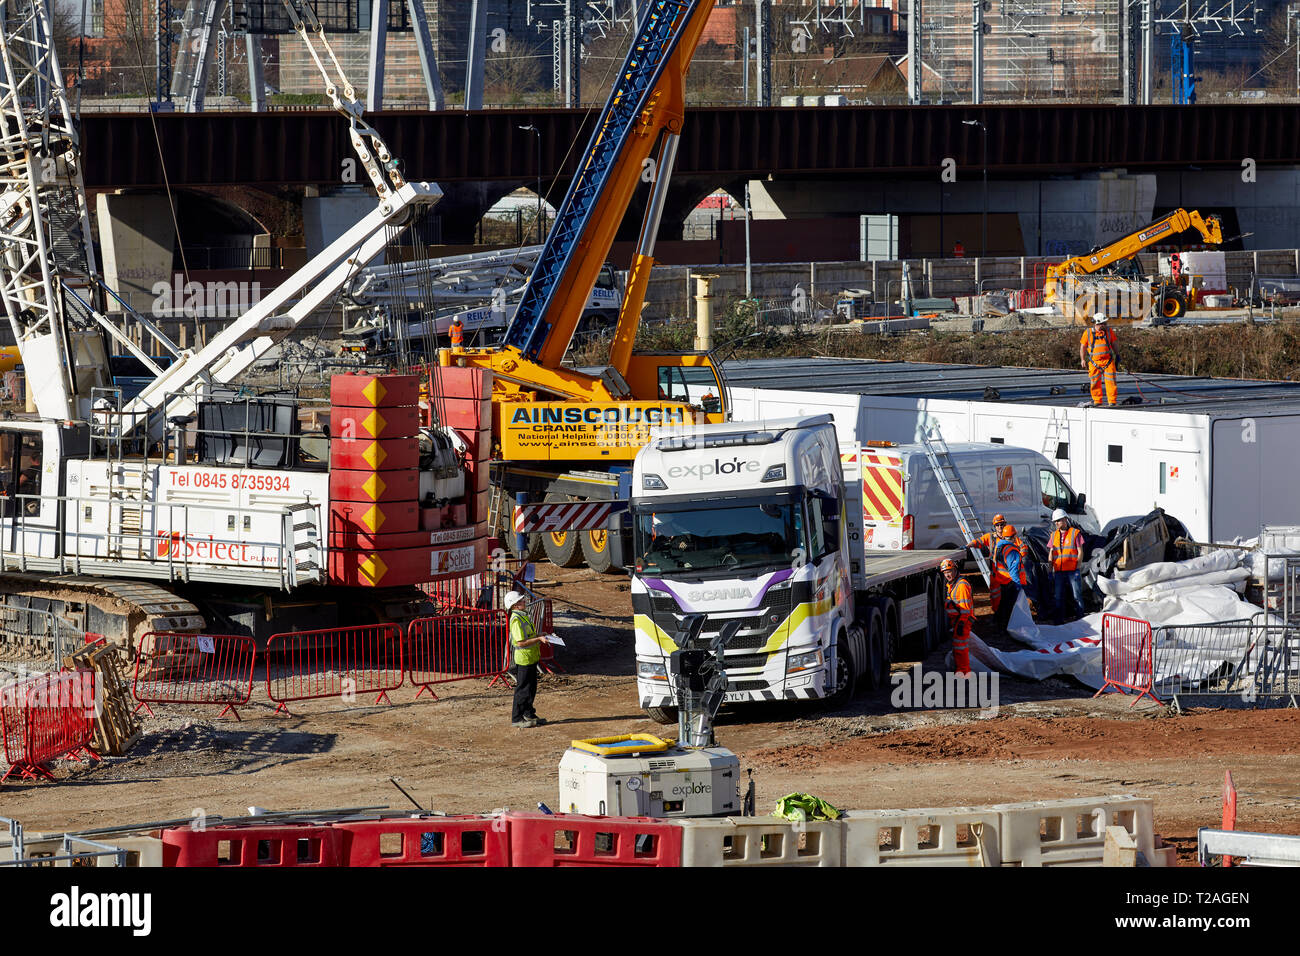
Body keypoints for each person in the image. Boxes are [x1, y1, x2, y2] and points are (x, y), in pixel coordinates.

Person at [507, 590, 546, 728]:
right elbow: (520, 642)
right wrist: (538, 639)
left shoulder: (523, 616)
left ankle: (528, 713)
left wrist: (539, 635)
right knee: (523, 689)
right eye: (521, 601)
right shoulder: (516, 619)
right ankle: (517, 718)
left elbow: (528, 636)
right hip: (524, 659)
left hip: (531, 657)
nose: (524, 602)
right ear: (515, 605)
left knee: (531, 688)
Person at [1048, 508, 1086, 624]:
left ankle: (1080, 620)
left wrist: (1077, 568)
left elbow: (1080, 551)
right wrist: (1050, 570)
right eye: (1055, 521)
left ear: (1065, 519)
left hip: (1072, 571)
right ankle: (1059, 621)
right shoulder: (1053, 535)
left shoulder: (1075, 533)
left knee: (1077, 596)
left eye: (1058, 520)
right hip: (1059, 571)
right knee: (1058, 597)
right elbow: (1051, 552)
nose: (1056, 523)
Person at [991, 523, 1029, 632]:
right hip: (1011, 583)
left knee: (1003, 604)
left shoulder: (1000, 547)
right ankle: (1006, 628)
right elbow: (1013, 570)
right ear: (1013, 536)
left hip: (1003, 581)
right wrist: (1018, 585)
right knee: (1010, 607)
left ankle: (999, 625)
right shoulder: (1012, 550)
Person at [967, 513, 1006, 615]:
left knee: (1008, 598)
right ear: (994, 526)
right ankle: (997, 617)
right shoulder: (990, 537)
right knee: (995, 596)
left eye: (1002, 524)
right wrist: (966, 546)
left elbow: (1021, 547)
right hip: (995, 575)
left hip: (1008, 575)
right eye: (997, 525)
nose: (1000, 527)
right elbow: (977, 541)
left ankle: (1006, 618)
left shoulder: (1010, 536)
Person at [941, 558, 973, 674]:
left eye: (949, 571)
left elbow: (965, 609)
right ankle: (960, 671)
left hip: (962, 622)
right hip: (958, 622)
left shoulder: (961, 586)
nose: (947, 575)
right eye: (945, 573)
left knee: (961, 649)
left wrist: (960, 625)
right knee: (958, 648)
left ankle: (963, 672)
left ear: (955, 570)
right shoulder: (952, 584)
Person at [1080, 311, 1119, 406]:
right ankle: (1097, 401)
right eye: (1104, 323)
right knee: (1095, 382)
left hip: (1108, 361)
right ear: (1098, 323)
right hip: (1094, 362)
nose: (1106, 325)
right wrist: (1083, 359)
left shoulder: (1109, 332)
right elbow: (1083, 347)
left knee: (1111, 383)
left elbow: (1114, 343)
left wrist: (1117, 355)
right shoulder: (1088, 333)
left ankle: (1112, 401)